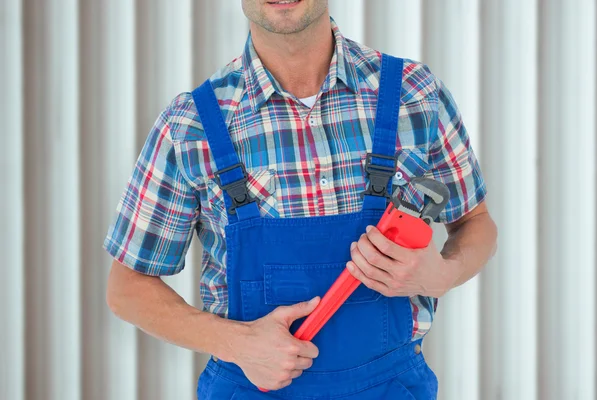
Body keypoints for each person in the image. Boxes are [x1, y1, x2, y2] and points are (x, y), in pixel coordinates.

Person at [104, 1, 497, 398]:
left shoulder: (415, 94)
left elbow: (475, 223)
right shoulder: (191, 124)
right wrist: (236, 342)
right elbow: (127, 288)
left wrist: (443, 274)